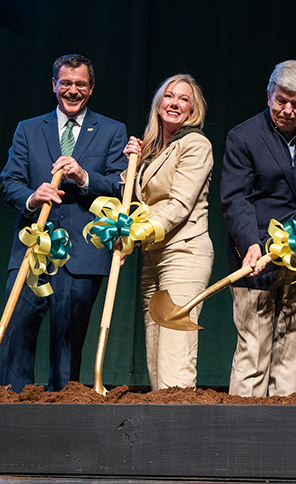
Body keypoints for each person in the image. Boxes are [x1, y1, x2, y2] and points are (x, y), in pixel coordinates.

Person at [0, 54, 128, 392]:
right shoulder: (28, 129)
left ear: (91, 87)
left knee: (68, 344)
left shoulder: (113, 131)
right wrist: (31, 195)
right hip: (32, 247)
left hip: (81, 256)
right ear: (54, 85)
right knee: (16, 333)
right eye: (66, 83)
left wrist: (84, 177)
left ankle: (60, 416)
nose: (72, 91)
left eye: (80, 84)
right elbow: (9, 181)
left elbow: (120, 186)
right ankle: (10, 410)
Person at [220, 60, 296, 397]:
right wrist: (250, 244)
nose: (287, 110)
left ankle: (284, 431)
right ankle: (243, 431)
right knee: (254, 352)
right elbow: (235, 200)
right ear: (269, 93)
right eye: (280, 101)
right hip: (257, 259)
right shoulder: (243, 136)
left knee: (293, 351)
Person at [122, 74, 213, 390]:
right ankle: (160, 431)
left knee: (175, 356)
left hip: (184, 253)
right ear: (159, 103)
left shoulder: (195, 144)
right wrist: (131, 165)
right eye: (169, 96)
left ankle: (181, 432)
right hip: (153, 257)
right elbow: (136, 200)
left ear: (193, 109)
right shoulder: (151, 152)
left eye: (184, 98)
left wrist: (133, 235)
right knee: (156, 355)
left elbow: (178, 204)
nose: (175, 102)